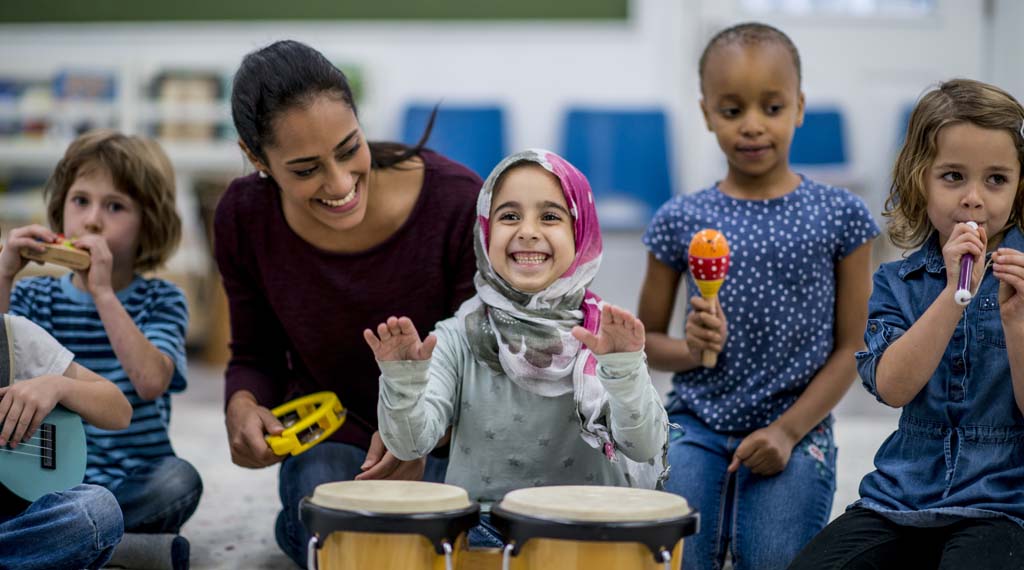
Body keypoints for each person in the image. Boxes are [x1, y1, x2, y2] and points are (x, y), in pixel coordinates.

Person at [216, 39, 482, 566]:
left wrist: (420, 437)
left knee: (452, 538)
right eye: (305, 169)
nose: (339, 184)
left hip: (450, 435)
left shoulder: (457, 201)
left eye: (348, 148)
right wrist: (243, 405)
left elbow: (484, 366)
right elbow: (254, 354)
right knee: (338, 532)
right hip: (335, 438)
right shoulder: (244, 218)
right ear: (255, 157)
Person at [637, 22, 879, 570]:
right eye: (731, 110)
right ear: (705, 113)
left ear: (799, 107)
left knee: (771, 560)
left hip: (797, 426)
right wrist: (693, 349)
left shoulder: (841, 217)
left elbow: (855, 345)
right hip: (696, 424)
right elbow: (645, 344)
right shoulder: (679, 218)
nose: (752, 127)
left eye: (771, 108)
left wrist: (788, 431)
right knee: (677, 561)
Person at [366, 149, 669, 546]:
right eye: (509, 216)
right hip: (483, 525)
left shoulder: (609, 338)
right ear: (486, 231)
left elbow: (643, 444)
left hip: (592, 527)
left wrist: (624, 369)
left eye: (550, 216)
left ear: (581, 234)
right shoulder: (455, 336)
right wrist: (403, 382)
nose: (527, 230)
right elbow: (411, 443)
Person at [788, 79, 1024, 569]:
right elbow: (892, 388)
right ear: (921, 179)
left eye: (996, 179)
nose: (974, 199)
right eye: (953, 176)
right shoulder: (896, 282)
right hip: (900, 499)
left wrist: (1017, 322)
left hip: (1003, 505)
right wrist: (949, 301)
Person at [0, 130, 199, 570]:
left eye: (114, 206)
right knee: (59, 509)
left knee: (179, 481)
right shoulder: (36, 297)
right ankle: (116, 548)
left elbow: (149, 383)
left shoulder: (162, 299)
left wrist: (105, 294)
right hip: (41, 479)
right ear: (60, 208)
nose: (92, 220)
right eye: (80, 201)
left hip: (133, 480)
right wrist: (5, 275)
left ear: (149, 221)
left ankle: (79, 540)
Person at [0, 310, 132, 570]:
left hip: (13, 521)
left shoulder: (11, 335)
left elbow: (120, 411)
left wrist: (58, 385)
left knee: (97, 510)